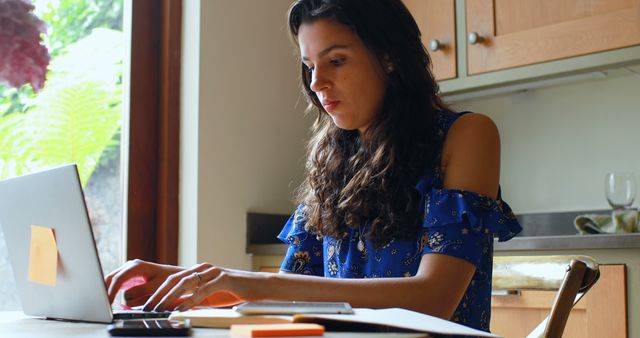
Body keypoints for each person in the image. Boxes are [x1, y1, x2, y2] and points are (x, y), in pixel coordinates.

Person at [105, 0, 522, 332]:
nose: (317, 82)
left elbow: (434, 297)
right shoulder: (332, 153)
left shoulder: (468, 134)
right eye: (310, 66)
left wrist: (248, 281)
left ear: (390, 56)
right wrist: (185, 281)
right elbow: (290, 292)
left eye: (336, 60)